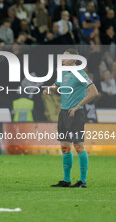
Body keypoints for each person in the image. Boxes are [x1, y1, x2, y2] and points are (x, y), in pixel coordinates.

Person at [43, 48, 98, 188]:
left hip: (76, 113)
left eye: (66, 57)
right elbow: (55, 86)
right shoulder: (63, 74)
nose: (63, 59)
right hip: (64, 113)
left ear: (74, 60)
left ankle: (82, 181)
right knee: (65, 146)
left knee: (78, 145)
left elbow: (94, 92)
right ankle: (66, 180)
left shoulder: (80, 74)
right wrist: (48, 89)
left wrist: (78, 105)